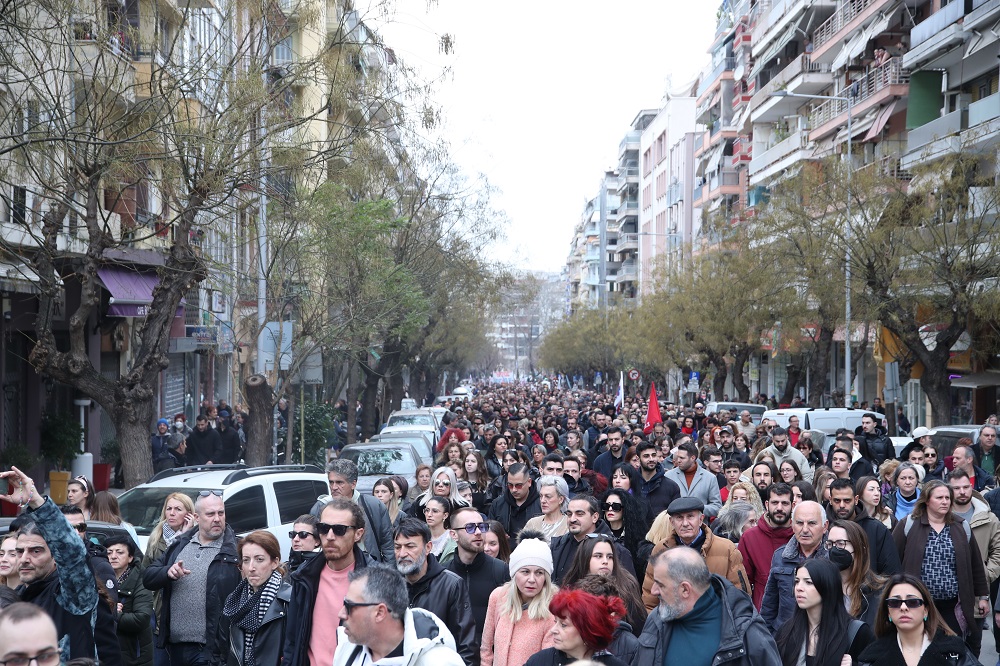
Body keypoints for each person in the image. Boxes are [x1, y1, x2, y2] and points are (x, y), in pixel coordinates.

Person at [1, 466, 99, 660]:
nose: (25, 558)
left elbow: (74, 555)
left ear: (56, 555)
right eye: (20, 551)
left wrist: (37, 501)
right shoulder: (17, 596)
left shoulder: (70, 595)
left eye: (36, 551)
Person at [634, 547, 781, 666]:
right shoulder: (656, 620)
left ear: (685, 589)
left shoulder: (747, 632)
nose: (653, 591)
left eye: (660, 584)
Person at [143, 490, 241, 666]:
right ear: (197, 516)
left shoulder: (235, 550)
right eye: (210, 514)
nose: (217, 518)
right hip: (175, 647)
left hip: (211, 650)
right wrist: (167, 572)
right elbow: (148, 577)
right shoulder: (180, 544)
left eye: (221, 512)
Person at [891, 479, 989, 643]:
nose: (945, 502)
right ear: (927, 500)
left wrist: (983, 596)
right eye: (939, 498)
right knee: (920, 648)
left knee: (952, 648)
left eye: (947, 498)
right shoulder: (909, 524)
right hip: (918, 604)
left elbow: (975, 564)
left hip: (952, 605)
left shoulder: (960, 526)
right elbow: (893, 561)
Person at [282, 498, 371, 666]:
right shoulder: (304, 576)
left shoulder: (373, 580)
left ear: (358, 534)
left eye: (339, 530)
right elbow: (292, 640)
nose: (330, 537)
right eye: (323, 528)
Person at [333, 564, 465, 666]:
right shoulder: (346, 649)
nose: (341, 614)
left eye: (349, 606)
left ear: (380, 613)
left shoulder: (438, 661)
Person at [393, 518, 477, 666]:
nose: (402, 553)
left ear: (428, 548)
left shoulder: (451, 585)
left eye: (410, 546)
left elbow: (466, 645)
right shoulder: (389, 585)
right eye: (397, 547)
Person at [640, 497, 747, 611]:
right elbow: (650, 599)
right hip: (672, 624)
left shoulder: (726, 549)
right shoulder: (661, 549)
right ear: (672, 522)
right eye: (679, 518)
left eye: (690, 516)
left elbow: (739, 597)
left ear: (701, 519)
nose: (685, 523)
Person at [774, 558, 875, 666]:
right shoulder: (786, 631)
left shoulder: (855, 632)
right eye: (797, 581)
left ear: (827, 586)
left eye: (808, 582)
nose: (799, 588)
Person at [858, 574, 971, 666]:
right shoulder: (871, 657)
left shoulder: (954, 651)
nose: (903, 607)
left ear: (926, 610)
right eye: (895, 602)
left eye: (912, 602)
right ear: (888, 612)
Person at [481, 538, 557, 666]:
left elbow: (547, 660)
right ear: (515, 573)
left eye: (539, 573)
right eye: (525, 572)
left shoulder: (552, 609)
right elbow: (486, 647)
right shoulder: (499, 596)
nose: (532, 579)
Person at [760, 500, 830, 632]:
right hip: (784, 635)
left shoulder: (833, 557)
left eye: (811, 523)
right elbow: (769, 604)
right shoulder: (781, 556)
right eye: (799, 523)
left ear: (825, 526)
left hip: (821, 635)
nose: (804, 529)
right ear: (792, 525)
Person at [223, 531, 291, 666]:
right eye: (246, 560)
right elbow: (222, 649)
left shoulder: (288, 600)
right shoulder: (233, 601)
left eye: (259, 559)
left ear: (274, 562)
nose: (251, 568)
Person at [448, 506, 510, 649]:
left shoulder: (500, 570)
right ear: (453, 534)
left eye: (481, 527)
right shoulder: (444, 573)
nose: (477, 532)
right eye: (469, 527)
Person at [560, 534, 646, 635]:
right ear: (585, 558)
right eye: (598, 556)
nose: (605, 561)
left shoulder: (626, 586)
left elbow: (639, 628)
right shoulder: (571, 589)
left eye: (610, 557)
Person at [316, 459, 395, 563]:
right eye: (331, 482)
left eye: (339, 482)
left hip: (370, 571)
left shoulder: (374, 505)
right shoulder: (320, 507)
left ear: (353, 484)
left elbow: (388, 546)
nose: (334, 487)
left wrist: (387, 574)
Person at [522, 589, 628, 666]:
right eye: (555, 622)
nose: (553, 630)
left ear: (587, 631)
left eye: (563, 625)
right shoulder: (539, 661)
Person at [550, 496, 635, 584]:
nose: (572, 519)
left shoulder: (617, 551)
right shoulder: (558, 546)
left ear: (595, 517)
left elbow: (628, 591)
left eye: (579, 514)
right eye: (569, 514)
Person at [826, 478, 901, 575]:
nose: (842, 505)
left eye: (847, 500)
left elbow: (892, 571)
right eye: (837, 500)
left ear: (856, 500)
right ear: (830, 500)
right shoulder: (822, 527)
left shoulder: (876, 529)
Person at [737, 482, 794, 609]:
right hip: (761, 612)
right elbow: (743, 583)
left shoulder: (800, 536)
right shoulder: (750, 537)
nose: (779, 508)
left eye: (785, 503)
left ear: (792, 505)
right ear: (767, 505)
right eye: (775, 503)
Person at [105, 534, 154, 666]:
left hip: (133, 654)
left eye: (119, 552)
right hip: (107, 649)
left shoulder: (141, 580)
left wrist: (116, 615)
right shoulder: (100, 577)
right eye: (109, 552)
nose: (113, 556)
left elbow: (141, 618)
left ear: (130, 557)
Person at [827, 520, 885, 628]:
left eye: (841, 544)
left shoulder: (879, 592)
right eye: (830, 544)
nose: (834, 550)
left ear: (860, 549)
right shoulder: (824, 588)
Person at [664, 441, 723, 518]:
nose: (678, 460)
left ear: (693, 458)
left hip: (700, 526)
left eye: (682, 458)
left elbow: (717, 507)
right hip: (673, 526)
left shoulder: (710, 478)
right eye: (678, 457)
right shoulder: (668, 476)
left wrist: (697, 508)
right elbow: (662, 505)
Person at [488, 463, 542, 539]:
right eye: (510, 485)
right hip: (505, 549)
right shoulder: (497, 504)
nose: (514, 490)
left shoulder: (542, 503)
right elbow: (489, 530)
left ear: (529, 482)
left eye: (518, 485)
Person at [635, 442, 681, 518]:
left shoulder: (671, 486)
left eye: (653, 455)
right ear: (638, 458)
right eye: (646, 456)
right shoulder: (631, 484)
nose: (651, 459)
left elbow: (677, 515)